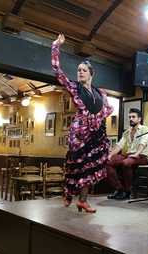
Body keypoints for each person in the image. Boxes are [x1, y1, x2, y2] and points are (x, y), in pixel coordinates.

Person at [51, 33, 113, 213]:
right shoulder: (74, 87)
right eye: (78, 70)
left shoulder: (100, 93)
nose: (80, 72)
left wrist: (98, 120)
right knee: (76, 166)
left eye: (83, 70)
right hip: (79, 134)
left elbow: (107, 110)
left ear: (91, 74)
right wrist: (56, 46)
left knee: (90, 167)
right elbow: (57, 71)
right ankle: (68, 192)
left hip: (96, 134)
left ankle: (83, 200)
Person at [106, 108, 148, 200]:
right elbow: (119, 146)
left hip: (141, 156)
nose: (131, 119)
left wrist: (137, 154)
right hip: (128, 155)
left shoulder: (144, 129)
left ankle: (128, 191)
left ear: (139, 119)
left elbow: (143, 142)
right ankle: (119, 189)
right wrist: (110, 155)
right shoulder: (127, 132)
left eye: (133, 117)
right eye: (129, 117)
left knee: (126, 163)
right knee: (108, 162)